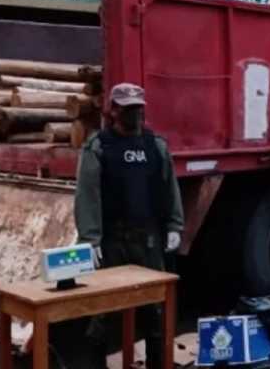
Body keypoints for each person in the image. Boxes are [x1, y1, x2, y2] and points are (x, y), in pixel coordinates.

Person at [73, 82, 184, 369]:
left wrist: (174, 225)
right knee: (103, 312)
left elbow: (169, 187)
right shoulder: (98, 147)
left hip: (149, 241)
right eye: (128, 109)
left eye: (138, 108)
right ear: (113, 110)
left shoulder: (155, 146)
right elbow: (88, 195)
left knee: (155, 313)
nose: (135, 114)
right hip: (113, 242)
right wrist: (90, 239)